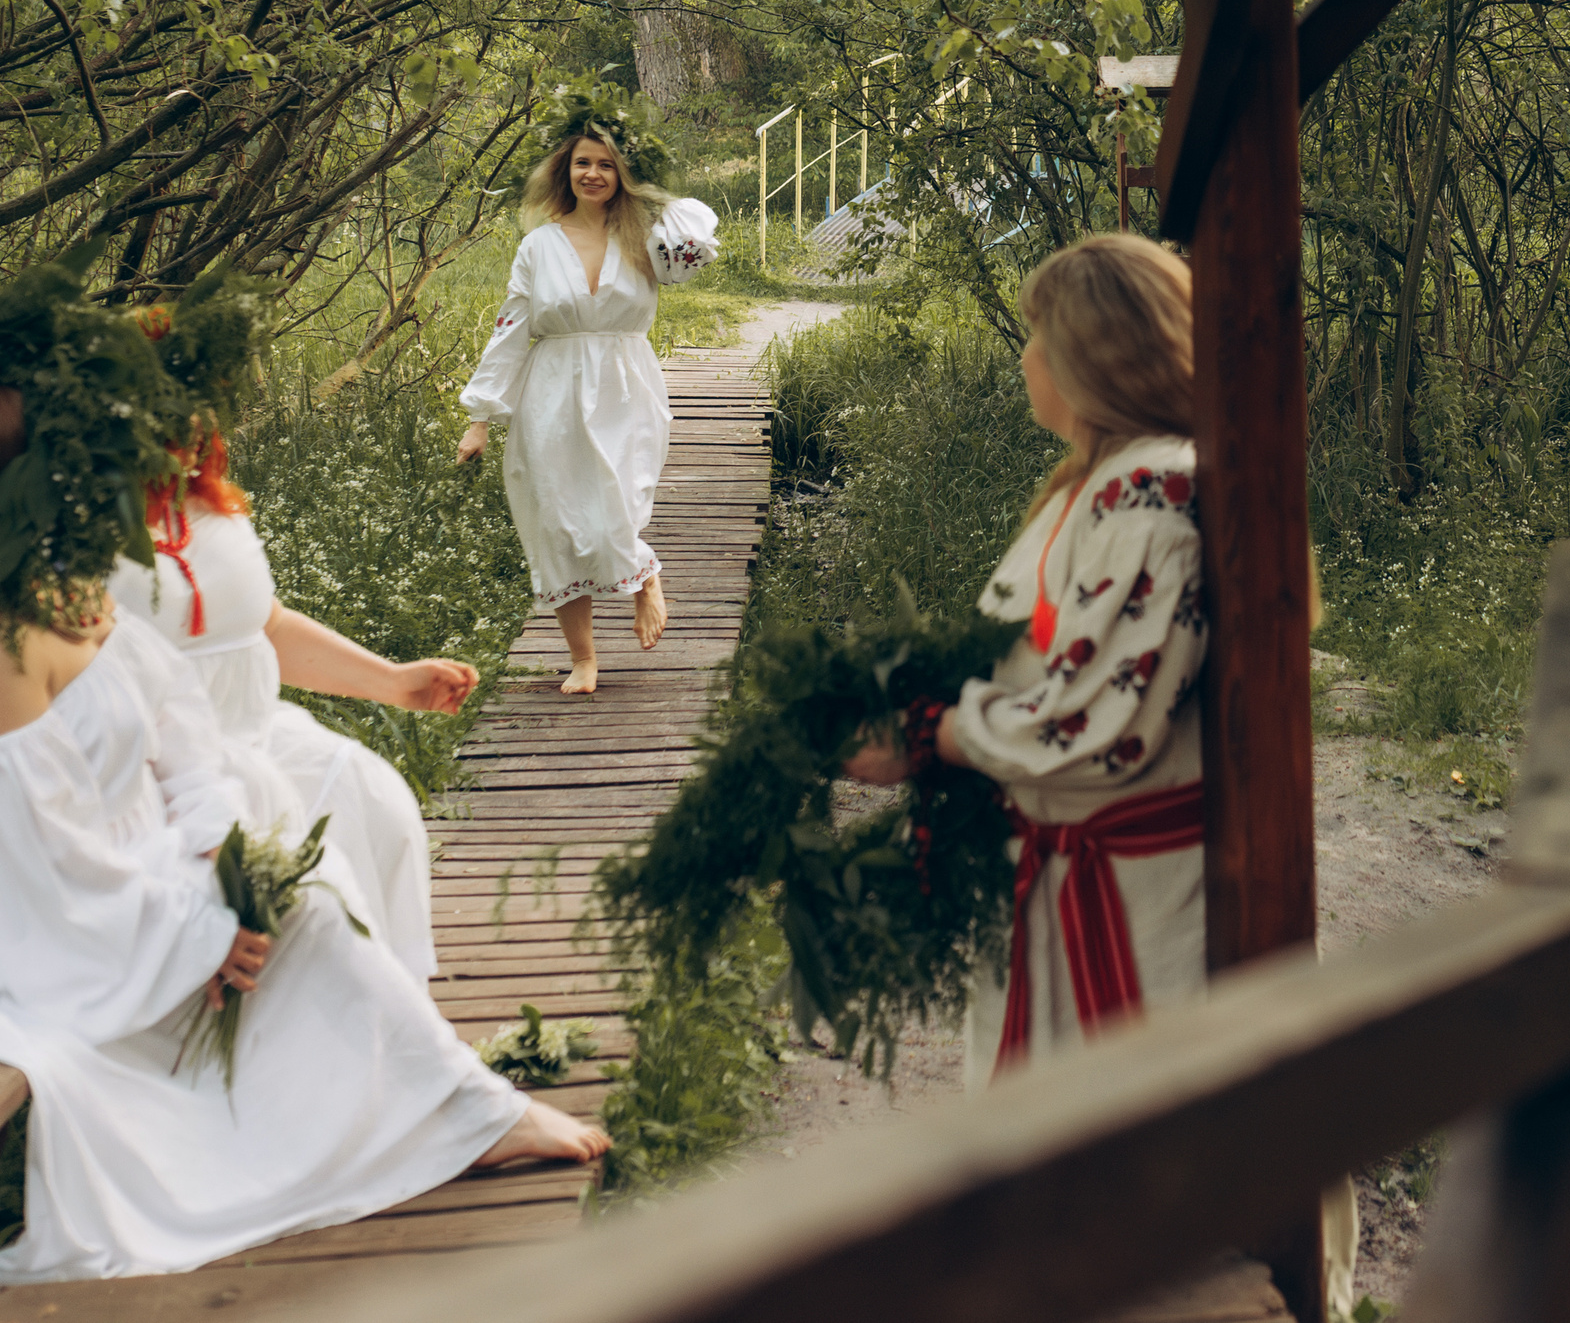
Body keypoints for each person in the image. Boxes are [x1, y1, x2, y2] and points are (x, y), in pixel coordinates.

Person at [0, 264, 605, 1287]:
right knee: (282, 933)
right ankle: (437, 1114)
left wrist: (218, 852)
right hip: (15, 916)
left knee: (306, 903)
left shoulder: (57, 583)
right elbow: (39, 863)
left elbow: (177, 728)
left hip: (118, 862)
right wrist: (189, 925)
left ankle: (450, 1110)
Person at [840, 232, 1356, 1312]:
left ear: (1089, 355)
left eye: (1037, 334)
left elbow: (1098, 719)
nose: (1025, 357)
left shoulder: (1151, 494)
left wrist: (937, 734)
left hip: (1122, 883)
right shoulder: (1097, 484)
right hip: (1066, 870)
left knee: (1148, 1175)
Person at [110, 279, 466, 979]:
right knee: (313, 899)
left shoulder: (214, 506)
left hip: (256, 734)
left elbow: (263, 628)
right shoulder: (80, 536)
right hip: (157, 779)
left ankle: (389, 1021)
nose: (184, 424)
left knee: (382, 808)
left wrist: (393, 682)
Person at [455, 88, 720, 694]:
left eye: (606, 163)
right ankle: (584, 658)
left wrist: (649, 187)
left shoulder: (650, 239)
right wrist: (480, 420)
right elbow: (511, 331)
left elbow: (696, 248)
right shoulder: (537, 246)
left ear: (622, 172)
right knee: (560, 521)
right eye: (582, 163)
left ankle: (643, 573)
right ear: (563, 171)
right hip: (551, 394)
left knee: (617, 509)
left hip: (627, 387)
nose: (593, 174)